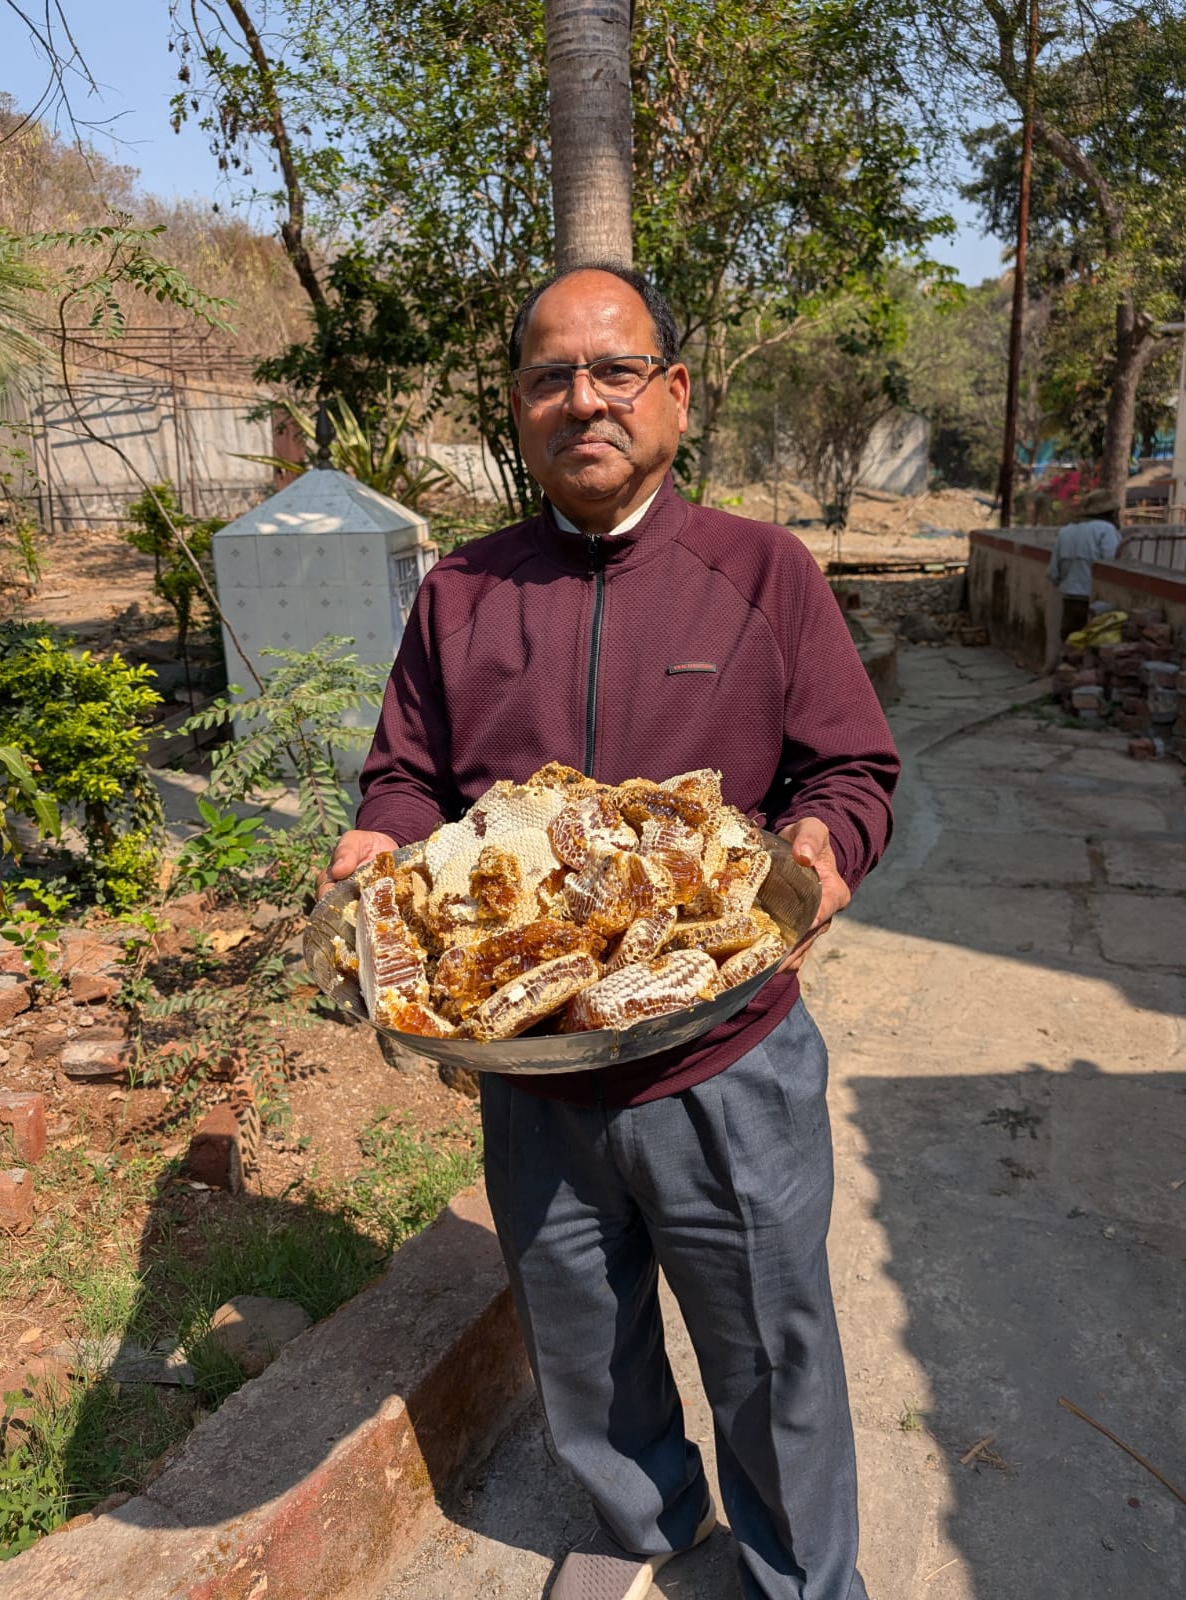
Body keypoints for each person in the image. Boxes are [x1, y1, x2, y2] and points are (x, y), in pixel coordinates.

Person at [319, 264, 899, 1600]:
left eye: (614, 370)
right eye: (549, 377)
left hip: (726, 1062)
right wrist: (376, 838)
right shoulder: (461, 593)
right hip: (534, 1071)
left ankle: (802, 1581)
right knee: (579, 1332)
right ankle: (644, 1534)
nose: (584, 399)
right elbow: (407, 777)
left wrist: (825, 845)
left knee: (769, 1351)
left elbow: (852, 769)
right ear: (519, 408)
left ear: (672, 395)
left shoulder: (761, 573)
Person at [1046, 490, 1122, 655]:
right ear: (1110, 512)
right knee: (1090, 652)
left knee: (1070, 648)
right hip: (1095, 603)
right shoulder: (1106, 530)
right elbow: (1112, 569)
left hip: (1070, 600)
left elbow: (1053, 572)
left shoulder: (1066, 531)